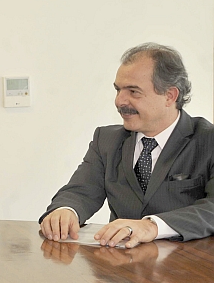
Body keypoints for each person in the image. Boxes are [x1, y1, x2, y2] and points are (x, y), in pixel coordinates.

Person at [40, 42, 214, 248]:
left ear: (170, 96)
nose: (119, 101)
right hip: (120, 263)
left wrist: (152, 226)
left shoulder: (207, 140)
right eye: (118, 90)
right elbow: (80, 192)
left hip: (190, 263)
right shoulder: (106, 140)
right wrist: (66, 211)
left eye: (133, 91)